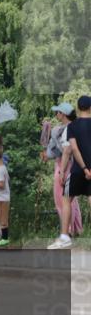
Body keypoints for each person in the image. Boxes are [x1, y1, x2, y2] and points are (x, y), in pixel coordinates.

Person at [51, 95, 91, 249]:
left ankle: (65, 236)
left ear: (79, 108)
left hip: (77, 170)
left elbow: (72, 149)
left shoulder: (73, 126)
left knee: (67, 198)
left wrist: (83, 168)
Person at [44, 102, 81, 242]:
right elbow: (51, 152)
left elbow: (62, 150)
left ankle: (68, 232)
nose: (56, 114)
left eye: (58, 112)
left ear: (63, 114)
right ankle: (74, 229)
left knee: (62, 200)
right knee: (70, 200)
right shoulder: (73, 128)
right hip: (73, 165)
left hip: (64, 166)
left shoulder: (62, 130)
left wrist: (52, 133)